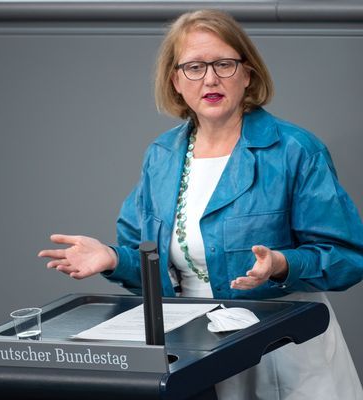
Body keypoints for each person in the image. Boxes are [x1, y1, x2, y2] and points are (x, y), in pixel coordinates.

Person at [39, 9, 363, 400]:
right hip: (198, 351)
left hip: (284, 347)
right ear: (175, 81)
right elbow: (148, 262)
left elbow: (347, 257)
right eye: (193, 67)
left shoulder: (295, 149)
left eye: (224, 64)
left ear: (248, 73)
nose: (210, 78)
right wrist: (111, 258)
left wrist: (282, 265)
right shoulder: (161, 155)